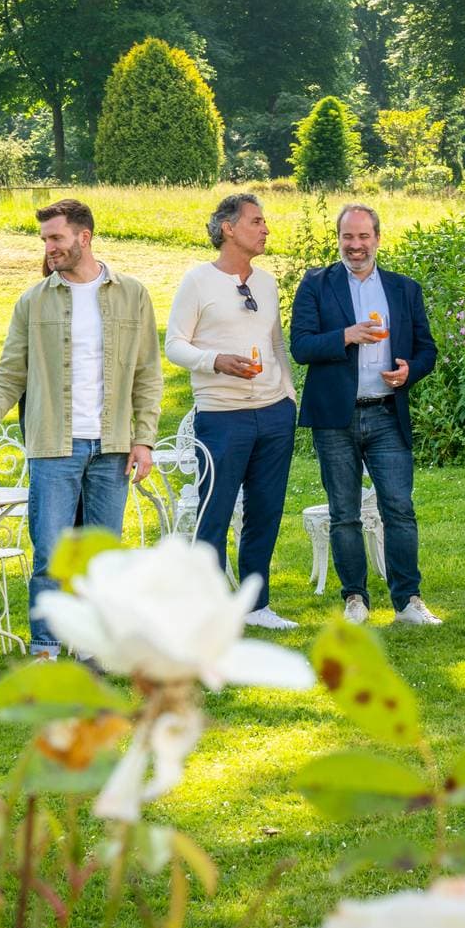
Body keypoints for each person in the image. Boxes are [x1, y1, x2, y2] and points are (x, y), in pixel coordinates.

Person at [0, 199, 163, 658]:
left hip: (112, 445)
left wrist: (144, 439)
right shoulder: (33, 301)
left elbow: (148, 374)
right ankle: (47, 648)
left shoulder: (132, 294)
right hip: (54, 446)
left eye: (56, 238)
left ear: (83, 237)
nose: (49, 248)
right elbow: (10, 372)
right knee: (51, 555)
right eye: (45, 240)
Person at [291, 203, 441, 626]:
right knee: (345, 512)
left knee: (399, 508)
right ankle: (355, 599)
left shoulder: (403, 288)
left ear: (377, 238)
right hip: (335, 418)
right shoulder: (317, 284)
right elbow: (301, 346)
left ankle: (408, 601)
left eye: (363, 237)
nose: (355, 246)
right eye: (348, 237)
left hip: (386, 414)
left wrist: (411, 371)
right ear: (338, 238)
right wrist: (346, 335)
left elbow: (427, 349)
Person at [164, 193, 299, 629]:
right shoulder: (198, 281)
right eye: (257, 221)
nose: (265, 229)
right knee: (215, 512)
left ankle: (256, 606)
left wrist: (288, 396)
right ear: (228, 228)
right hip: (221, 416)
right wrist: (215, 360)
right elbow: (175, 346)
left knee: (265, 511)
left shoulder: (266, 283)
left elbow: (277, 342)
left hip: (273, 413)